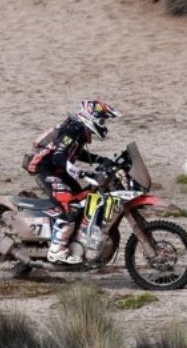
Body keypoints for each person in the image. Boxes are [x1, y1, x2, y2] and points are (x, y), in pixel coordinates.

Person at [26, 100, 120, 264]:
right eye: (102, 120)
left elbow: (75, 152)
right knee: (70, 206)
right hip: (45, 169)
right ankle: (56, 251)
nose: (104, 124)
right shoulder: (72, 130)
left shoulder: (79, 130)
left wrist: (100, 160)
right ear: (92, 117)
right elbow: (59, 157)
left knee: (81, 200)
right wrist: (82, 173)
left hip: (56, 170)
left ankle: (73, 242)